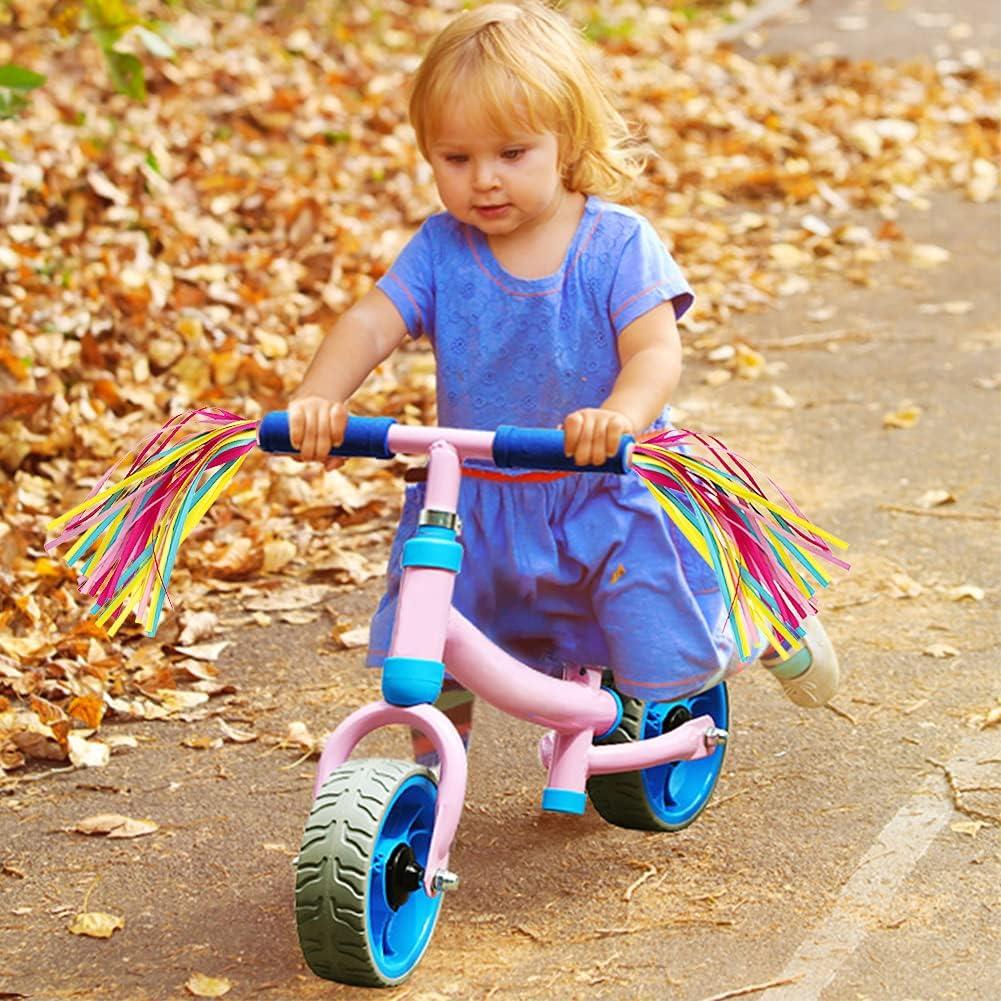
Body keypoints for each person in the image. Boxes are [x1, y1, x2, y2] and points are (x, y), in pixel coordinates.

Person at [287, 1, 839, 765]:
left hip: (603, 486)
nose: (483, 180)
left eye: (513, 152)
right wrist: (320, 395)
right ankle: (433, 759)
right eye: (455, 158)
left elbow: (654, 351)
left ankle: (767, 619)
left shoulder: (614, 244)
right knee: (435, 609)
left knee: (659, 624)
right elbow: (372, 322)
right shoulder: (441, 248)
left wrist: (618, 415)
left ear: (566, 141)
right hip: (481, 493)